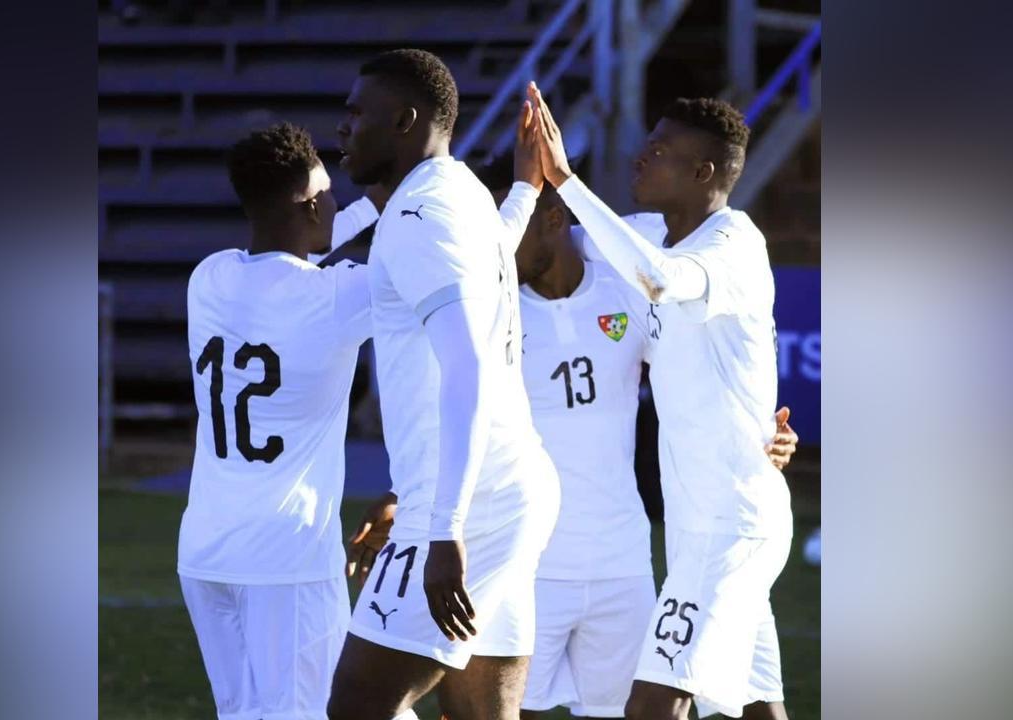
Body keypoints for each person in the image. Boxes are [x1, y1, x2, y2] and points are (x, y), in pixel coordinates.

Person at [475, 154, 799, 720]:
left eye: (511, 221)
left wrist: (760, 428)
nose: (494, 245)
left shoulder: (625, 288)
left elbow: (706, 358)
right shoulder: (488, 313)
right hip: (529, 563)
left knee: (640, 708)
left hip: (622, 563)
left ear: (553, 219)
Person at [325, 49, 555, 720]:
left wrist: (443, 525)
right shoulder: (460, 194)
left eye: (357, 113)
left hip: (468, 506)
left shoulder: (419, 217)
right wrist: (525, 191)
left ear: (404, 121)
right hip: (509, 484)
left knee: (357, 707)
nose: (342, 128)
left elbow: (468, 366)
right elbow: (495, 257)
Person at [178, 121, 380, 720]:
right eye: (330, 194)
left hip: (207, 552)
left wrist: (369, 205)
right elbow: (433, 263)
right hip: (286, 557)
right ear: (312, 205)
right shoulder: (337, 296)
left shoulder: (209, 276)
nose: (338, 202)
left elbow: (299, 247)